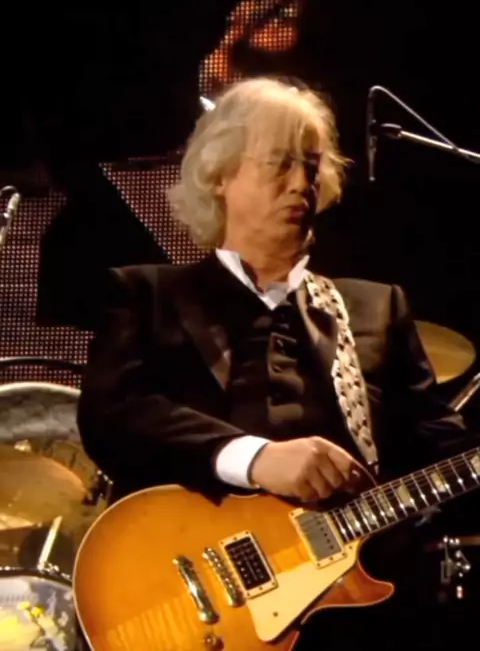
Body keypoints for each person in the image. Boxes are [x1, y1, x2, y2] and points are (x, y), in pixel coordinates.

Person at [77, 77, 478, 647]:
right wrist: (256, 458)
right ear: (220, 175)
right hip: (185, 598)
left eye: (311, 168)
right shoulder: (148, 294)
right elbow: (112, 416)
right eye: (280, 164)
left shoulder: (376, 306)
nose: (300, 185)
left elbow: (444, 452)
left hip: (353, 618)